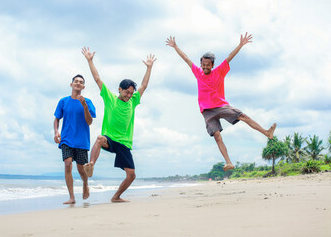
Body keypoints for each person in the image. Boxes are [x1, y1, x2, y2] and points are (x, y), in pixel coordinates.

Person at [166, 33, 276, 171]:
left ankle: (267, 133)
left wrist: (240, 45)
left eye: (207, 64)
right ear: (201, 64)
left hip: (220, 105)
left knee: (243, 116)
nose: (205, 66)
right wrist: (175, 46)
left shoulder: (219, 72)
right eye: (203, 64)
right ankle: (229, 162)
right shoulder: (197, 72)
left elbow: (229, 57)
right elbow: (186, 58)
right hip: (207, 111)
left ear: (212, 65)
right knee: (217, 135)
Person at [81, 47, 156, 202]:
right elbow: (97, 79)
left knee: (131, 175)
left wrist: (149, 68)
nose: (129, 95)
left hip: (124, 143)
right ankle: (91, 164)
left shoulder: (133, 101)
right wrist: (90, 61)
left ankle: (116, 197)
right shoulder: (110, 98)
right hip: (110, 139)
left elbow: (144, 85)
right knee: (100, 138)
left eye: (131, 93)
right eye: (126, 92)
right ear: (119, 89)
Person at [54, 74, 96, 204]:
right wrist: (56, 132)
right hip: (66, 139)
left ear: (83, 87)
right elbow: (56, 118)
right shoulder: (63, 101)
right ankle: (71, 197)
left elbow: (89, 122)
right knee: (67, 164)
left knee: (81, 169)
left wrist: (84, 105)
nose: (78, 83)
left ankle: (85, 184)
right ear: (71, 84)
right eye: (76, 81)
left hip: (81, 140)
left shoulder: (87, 102)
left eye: (81, 82)